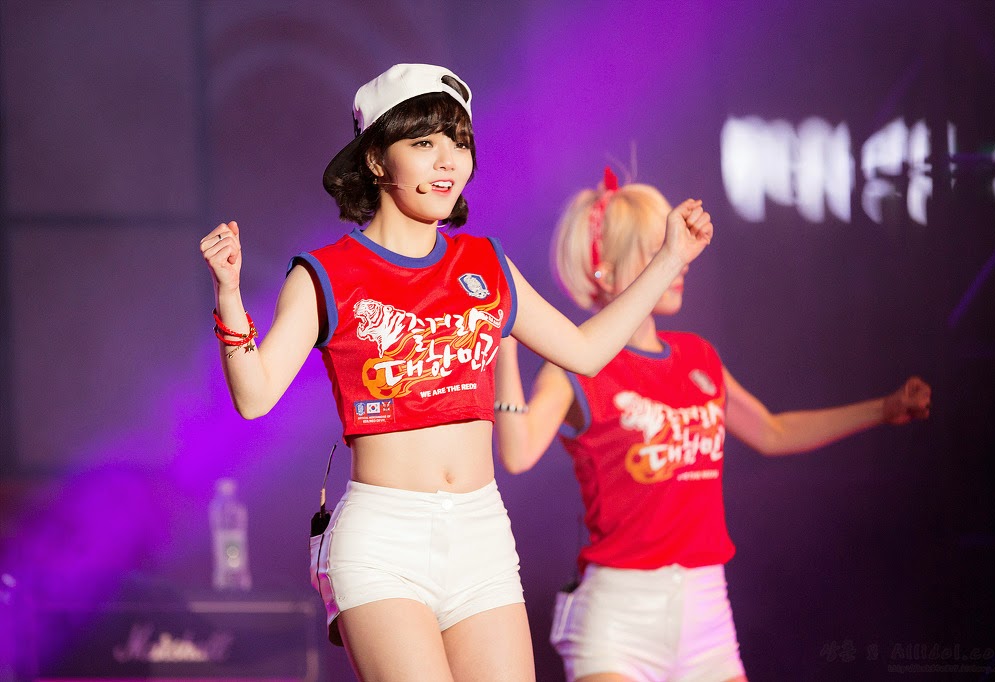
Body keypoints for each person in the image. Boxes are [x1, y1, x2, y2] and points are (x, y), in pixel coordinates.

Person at [199, 65, 713, 682]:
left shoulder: (485, 263)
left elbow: (584, 351)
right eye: (424, 143)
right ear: (376, 160)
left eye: (459, 143)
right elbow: (255, 396)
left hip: (480, 532)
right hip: (382, 539)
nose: (448, 161)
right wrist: (230, 296)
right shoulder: (326, 274)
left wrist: (669, 259)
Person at [494, 170, 932, 682]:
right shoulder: (574, 367)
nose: (678, 262)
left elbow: (771, 432)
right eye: (658, 250)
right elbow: (519, 452)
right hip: (618, 618)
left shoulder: (697, 356)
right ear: (605, 273)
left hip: (707, 614)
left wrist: (883, 409)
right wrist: (506, 344)